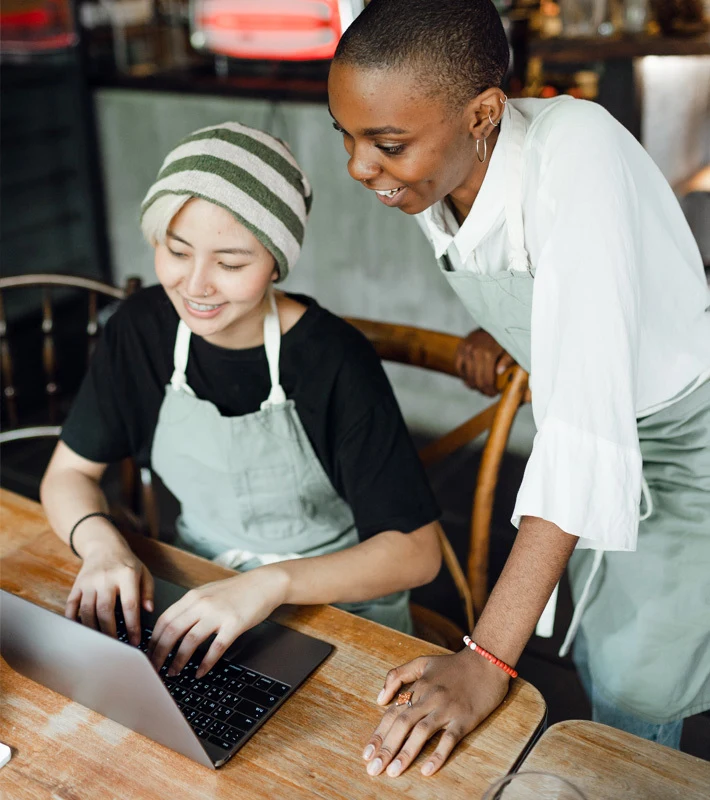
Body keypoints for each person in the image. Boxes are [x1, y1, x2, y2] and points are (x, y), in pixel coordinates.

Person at [327, 0, 710, 778]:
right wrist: (523, 331)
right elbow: (548, 273)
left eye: (386, 144)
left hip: (686, 438)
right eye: (348, 136)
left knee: (638, 684)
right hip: (601, 420)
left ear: (484, 112)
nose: (359, 168)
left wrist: (486, 663)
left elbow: (582, 436)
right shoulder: (442, 160)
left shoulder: (579, 156)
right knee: (605, 653)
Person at [40, 121, 444, 681]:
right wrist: (104, 548)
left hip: (338, 610)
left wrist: (271, 582)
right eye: (176, 251)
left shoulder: (332, 359)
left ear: (276, 263)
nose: (196, 285)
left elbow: (416, 553)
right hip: (198, 587)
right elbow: (67, 475)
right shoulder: (142, 329)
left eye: (230, 264)